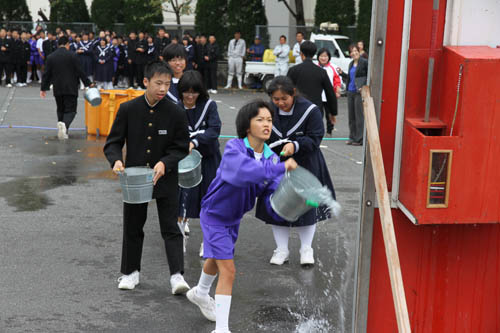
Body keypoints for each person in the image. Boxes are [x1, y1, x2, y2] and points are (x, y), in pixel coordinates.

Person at [187, 99, 297, 333]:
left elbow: (269, 195)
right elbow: (243, 174)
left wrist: (288, 201)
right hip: (214, 215)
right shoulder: (234, 148)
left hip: (234, 217)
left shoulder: (272, 158)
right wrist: (281, 168)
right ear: (247, 126)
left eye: (269, 120)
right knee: (229, 269)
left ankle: (200, 292)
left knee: (217, 260)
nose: (267, 124)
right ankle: (222, 329)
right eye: (260, 120)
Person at [103, 60, 191, 293]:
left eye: (167, 84)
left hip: (166, 176)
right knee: (133, 225)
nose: (163, 89)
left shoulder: (176, 111)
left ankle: (177, 276)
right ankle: (130, 273)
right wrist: (117, 161)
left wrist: (165, 163)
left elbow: (181, 146)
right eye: (158, 83)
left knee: (171, 227)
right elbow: (112, 143)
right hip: (134, 178)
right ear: (145, 82)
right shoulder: (128, 109)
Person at [258, 76, 336, 266]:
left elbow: (315, 138)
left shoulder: (310, 110)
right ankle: (281, 249)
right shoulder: (267, 111)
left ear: (293, 93)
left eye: (284, 98)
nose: (280, 103)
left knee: (306, 208)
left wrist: (295, 145)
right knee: (277, 206)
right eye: (276, 100)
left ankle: (306, 249)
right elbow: (259, 133)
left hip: (306, 163)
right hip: (277, 164)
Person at [176, 70, 222, 250]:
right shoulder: (177, 107)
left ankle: (207, 241)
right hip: (185, 161)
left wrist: (194, 141)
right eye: (186, 92)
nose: (190, 96)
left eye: (194, 92)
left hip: (208, 159)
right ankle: (178, 235)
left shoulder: (209, 106)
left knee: (209, 199)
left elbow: (214, 130)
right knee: (181, 198)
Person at [40, 36, 93, 140]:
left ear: (58, 44)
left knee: (60, 109)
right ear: (68, 44)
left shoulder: (51, 57)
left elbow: (46, 74)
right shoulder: (73, 55)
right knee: (71, 110)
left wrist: (43, 88)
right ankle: (64, 127)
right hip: (70, 87)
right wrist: (88, 83)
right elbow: (80, 71)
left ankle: (62, 128)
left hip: (58, 87)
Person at [287, 41, 337, 127]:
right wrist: (333, 113)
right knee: (313, 135)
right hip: (315, 110)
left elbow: (286, 91)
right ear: (314, 55)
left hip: (297, 109)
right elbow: (330, 93)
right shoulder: (321, 72)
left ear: (301, 54)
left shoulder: (293, 70)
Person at [337, 44, 368, 146]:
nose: (353, 53)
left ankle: (359, 139)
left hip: (359, 92)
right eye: (351, 52)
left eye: (355, 51)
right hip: (350, 91)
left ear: (359, 51)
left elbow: (369, 76)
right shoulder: (351, 63)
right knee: (351, 116)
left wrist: (363, 86)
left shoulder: (364, 62)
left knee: (359, 116)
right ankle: (352, 137)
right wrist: (342, 73)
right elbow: (350, 78)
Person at [317, 48, 342, 134]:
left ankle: (329, 130)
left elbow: (337, 81)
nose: (323, 58)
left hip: (329, 96)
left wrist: (337, 91)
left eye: (325, 56)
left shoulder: (333, 67)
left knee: (329, 114)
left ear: (329, 57)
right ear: (318, 57)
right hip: (318, 96)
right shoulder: (315, 67)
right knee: (318, 114)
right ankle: (318, 130)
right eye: (321, 56)